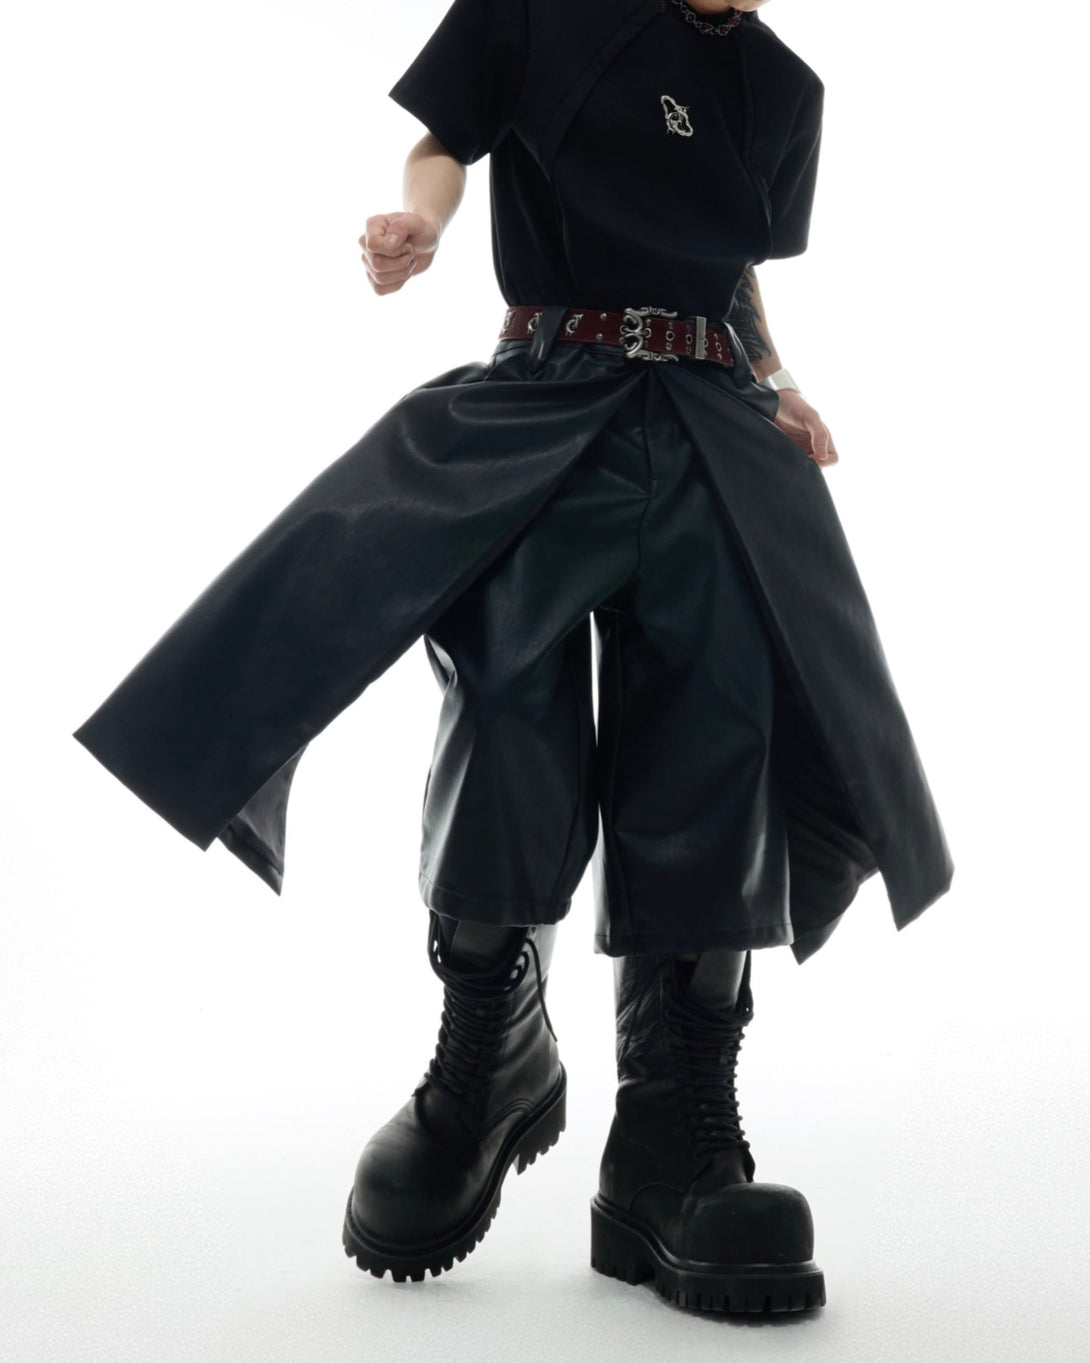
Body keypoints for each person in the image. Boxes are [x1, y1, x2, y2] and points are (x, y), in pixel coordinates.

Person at [71, 0, 954, 1316]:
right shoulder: (537, 11)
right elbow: (446, 138)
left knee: (721, 732)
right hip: (551, 392)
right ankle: (487, 1049)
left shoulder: (781, 86)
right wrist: (420, 222)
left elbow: (728, 266)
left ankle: (672, 1137)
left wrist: (775, 376)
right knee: (504, 704)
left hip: (711, 419)